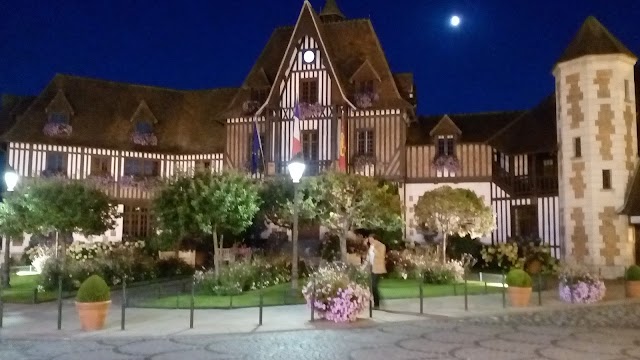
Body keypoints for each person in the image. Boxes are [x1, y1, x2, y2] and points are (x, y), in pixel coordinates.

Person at [358, 229, 386, 309]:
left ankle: (377, 304)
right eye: (369, 240)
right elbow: (368, 258)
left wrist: (374, 248)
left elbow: (380, 256)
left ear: (375, 239)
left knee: (374, 285)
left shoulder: (381, 246)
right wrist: (363, 267)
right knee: (372, 286)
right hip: (372, 268)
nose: (370, 241)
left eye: (371, 240)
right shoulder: (371, 247)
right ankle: (377, 301)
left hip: (378, 268)